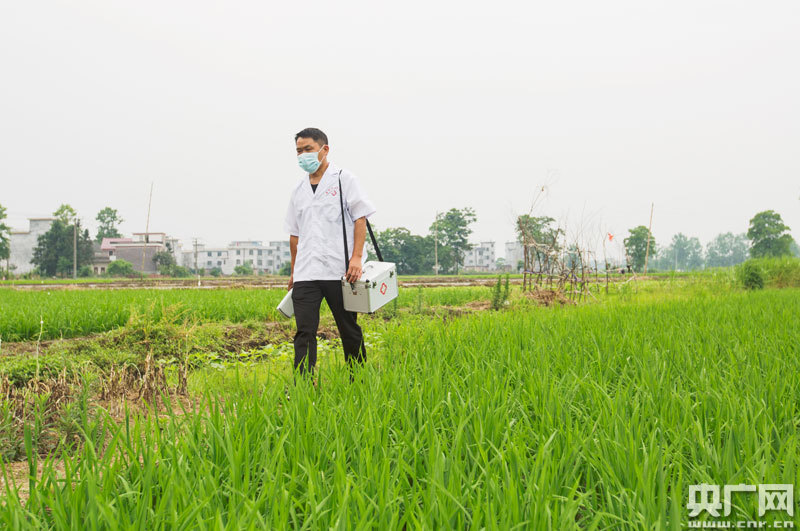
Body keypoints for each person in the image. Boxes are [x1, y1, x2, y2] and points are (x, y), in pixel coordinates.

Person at [283, 127, 376, 382]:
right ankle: (303, 385)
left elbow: (360, 218)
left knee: (348, 328)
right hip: (306, 272)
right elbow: (294, 234)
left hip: (339, 270)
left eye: (308, 149)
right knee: (304, 332)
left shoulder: (344, 180)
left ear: (324, 149)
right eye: (299, 151)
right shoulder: (298, 190)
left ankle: (358, 380)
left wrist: (356, 258)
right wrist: (293, 272)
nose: (303, 155)